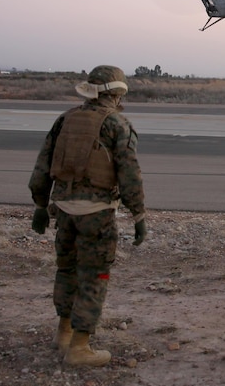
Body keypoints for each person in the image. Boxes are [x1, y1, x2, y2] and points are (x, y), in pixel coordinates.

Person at [28, 65, 147, 368]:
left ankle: (63, 333)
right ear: (117, 92)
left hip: (64, 210)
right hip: (97, 213)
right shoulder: (117, 124)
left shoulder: (65, 119)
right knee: (95, 276)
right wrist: (138, 215)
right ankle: (80, 347)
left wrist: (41, 206)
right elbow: (129, 174)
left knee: (66, 269)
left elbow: (42, 166)